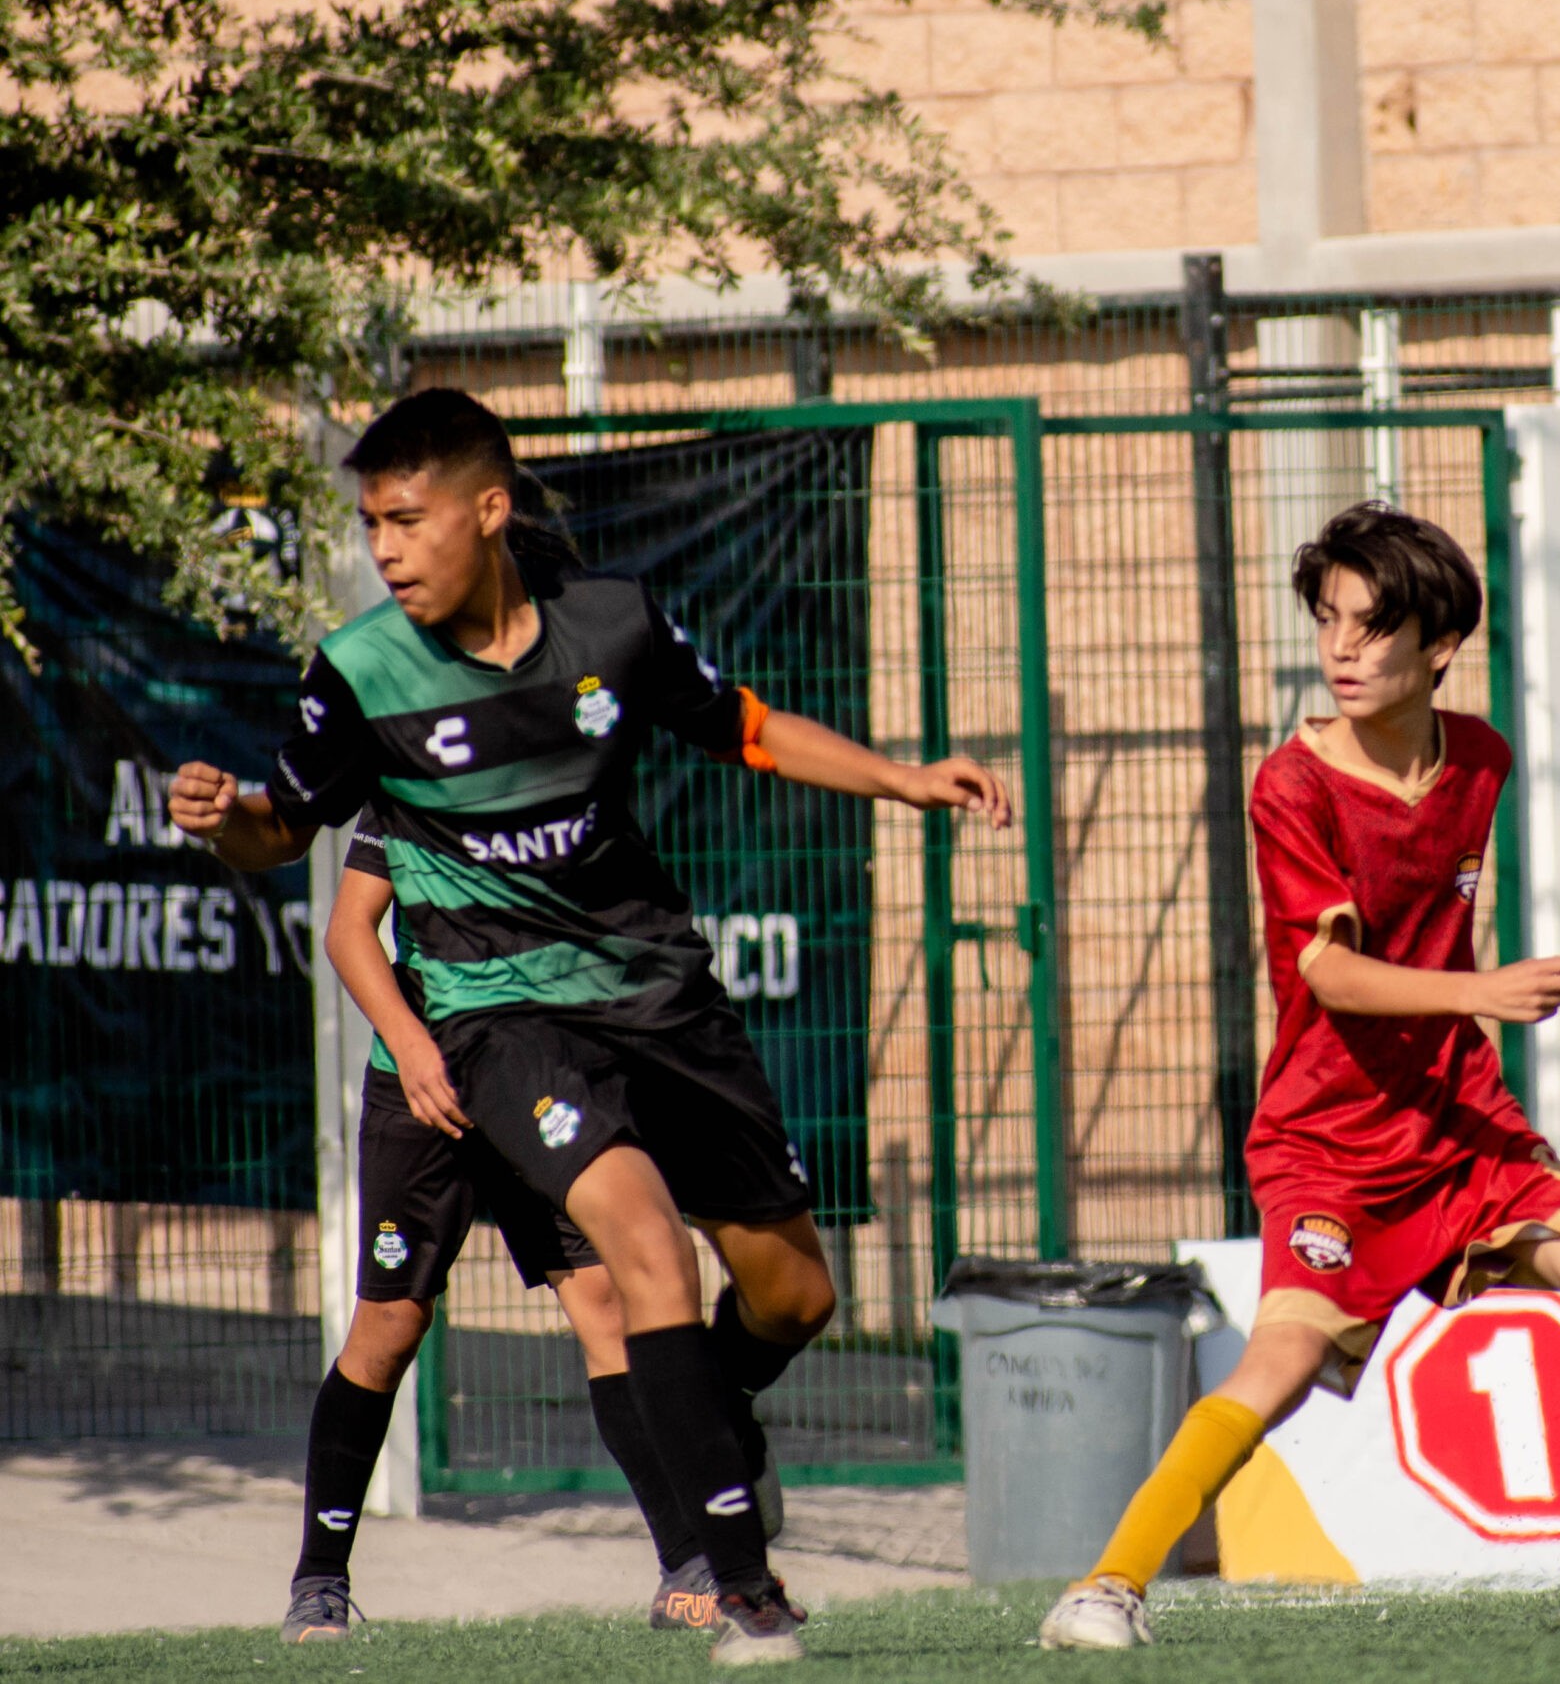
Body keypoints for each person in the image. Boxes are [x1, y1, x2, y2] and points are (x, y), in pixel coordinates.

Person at [170, 387, 1011, 1666]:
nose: (384, 550)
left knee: (794, 1294)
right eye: (372, 526)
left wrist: (904, 778)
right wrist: (223, 817)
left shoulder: (611, 627)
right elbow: (281, 838)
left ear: (488, 511)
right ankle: (741, 1587)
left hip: (660, 992)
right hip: (497, 1016)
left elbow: (743, 726)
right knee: (634, 1259)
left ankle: (710, 1423)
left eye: (407, 521)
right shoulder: (359, 674)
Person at [1037, 502, 1560, 1652]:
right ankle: (1106, 1586)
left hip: (1463, 1122)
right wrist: (1480, 994)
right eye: (1328, 621)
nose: (1342, 650)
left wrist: (1472, 1019)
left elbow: (1441, 928)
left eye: (1371, 627)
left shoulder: (1481, 762)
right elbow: (1328, 972)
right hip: (1327, 1139)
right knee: (1278, 1359)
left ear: (1438, 650)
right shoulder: (1292, 786)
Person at [280, 814, 724, 1643]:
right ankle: (319, 1580)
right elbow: (349, 931)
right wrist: (412, 1046)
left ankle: (686, 1568)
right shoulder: (408, 768)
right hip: (424, 1089)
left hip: (539, 1081)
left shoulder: (560, 769)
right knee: (389, 1327)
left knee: (609, 1307)